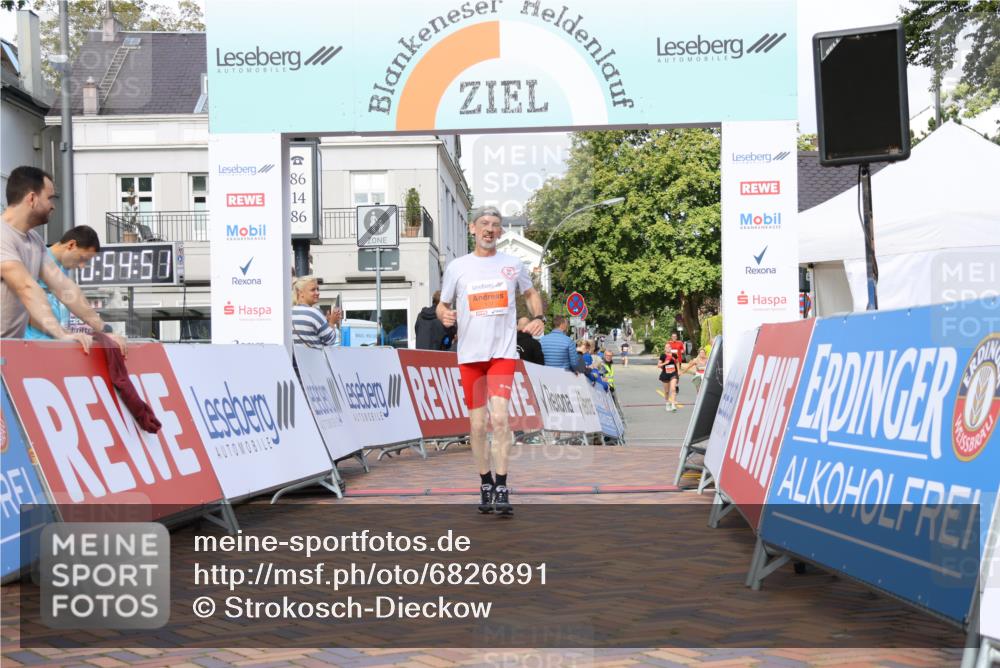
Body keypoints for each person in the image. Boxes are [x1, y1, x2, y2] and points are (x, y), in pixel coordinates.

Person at [437, 206, 545, 516]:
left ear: (500, 232)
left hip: (502, 354)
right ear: (472, 229)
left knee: (500, 419)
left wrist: (538, 316)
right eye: (484, 224)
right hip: (471, 356)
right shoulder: (458, 267)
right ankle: (484, 483)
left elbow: (530, 292)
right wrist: (444, 314)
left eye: (495, 225)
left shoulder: (512, 265)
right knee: (477, 423)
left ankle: (501, 484)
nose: (489, 229)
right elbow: (443, 306)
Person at [1, 166, 126, 355]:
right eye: (49, 198)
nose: (53, 205)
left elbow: (64, 287)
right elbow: (26, 288)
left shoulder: (35, 241)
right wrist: (61, 334)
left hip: (8, 353)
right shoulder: (3, 236)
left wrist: (104, 330)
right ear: (32, 199)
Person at [25, 225, 102, 339]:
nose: (82, 266)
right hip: (29, 344)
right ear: (71, 245)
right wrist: (64, 334)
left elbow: (73, 297)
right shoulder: (34, 258)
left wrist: (104, 329)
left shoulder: (62, 271)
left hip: (53, 343)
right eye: (82, 258)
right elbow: (24, 310)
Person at [291, 275, 341, 346]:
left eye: (318, 289)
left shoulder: (289, 312)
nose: (317, 293)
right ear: (300, 293)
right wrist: (332, 323)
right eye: (313, 290)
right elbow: (330, 340)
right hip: (313, 356)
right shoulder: (314, 313)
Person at [657, 342, 680, 412]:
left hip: (673, 373)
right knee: (666, 391)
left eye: (669, 347)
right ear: (664, 349)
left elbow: (677, 362)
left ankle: (673, 404)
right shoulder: (663, 356)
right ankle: (667, 404)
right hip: (665, 374)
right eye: (666, 347)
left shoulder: (674, 355)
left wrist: (678, 371)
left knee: (673, 389)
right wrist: (665, 363)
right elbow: (658, 365)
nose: (668, 348)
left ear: (671, 348)